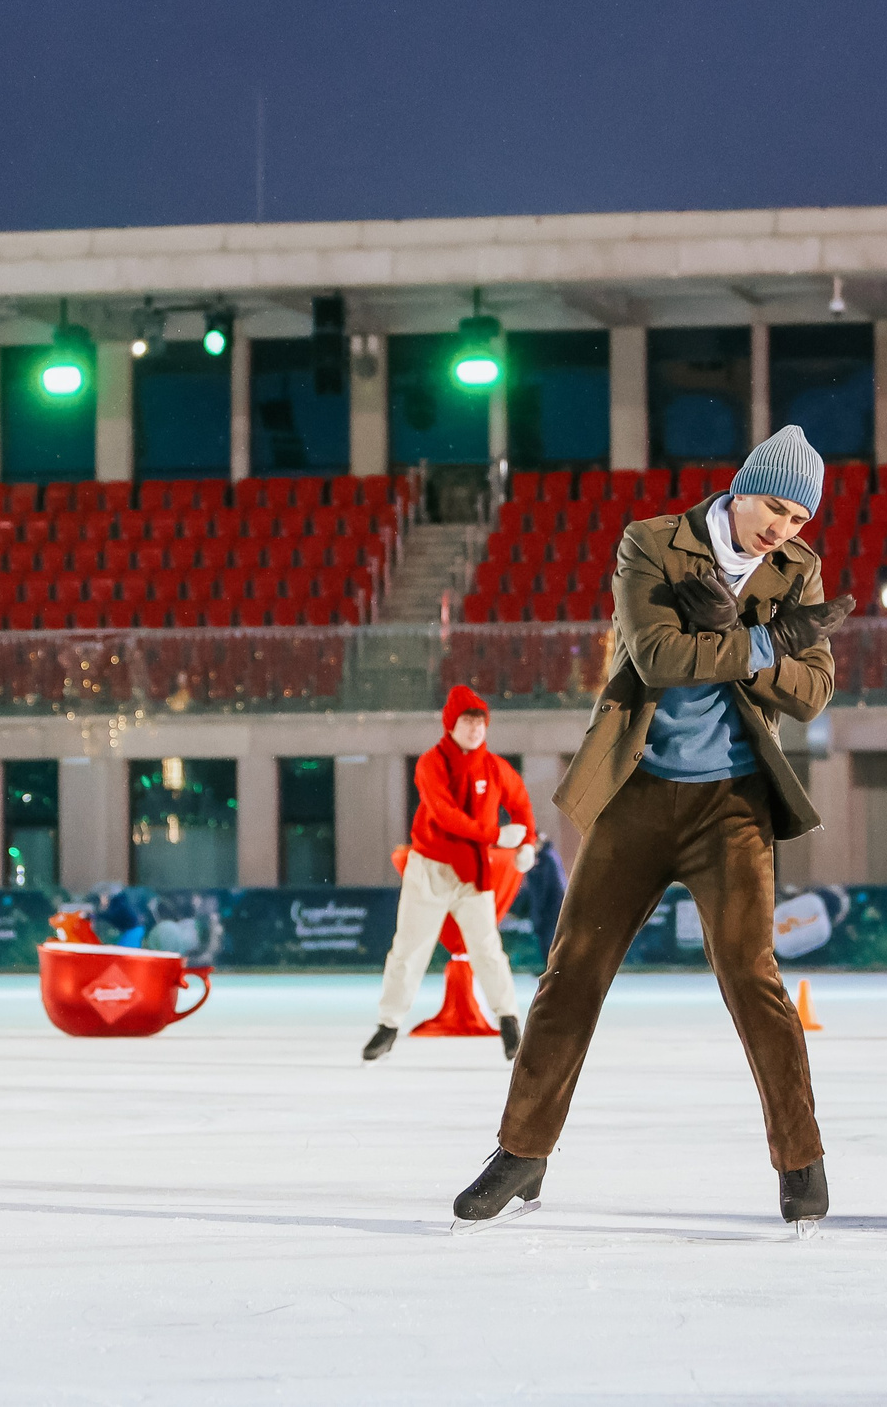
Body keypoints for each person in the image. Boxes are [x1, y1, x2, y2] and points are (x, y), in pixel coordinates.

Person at [455, 426, 855, 1233]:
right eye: (775, 508)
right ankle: (523, 1151)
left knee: (753, 977)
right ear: (743, 487)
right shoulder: (651, 542)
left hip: (734, 803)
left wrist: (756, 645)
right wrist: (763, 639)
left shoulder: (796, 571)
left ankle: (801, 1158)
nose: (782, 530)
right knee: (572, 973)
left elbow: (811, 692)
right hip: (636, 793)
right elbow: (658, 655)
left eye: (799, 522)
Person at [366, 685, 535, 1062]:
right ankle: (388, 1025)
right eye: (467, 721)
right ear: (451, 724)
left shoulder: (495, 767)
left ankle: (509, 1021)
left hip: (473, 875)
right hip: (429, 870)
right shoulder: (431, 762)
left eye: (480, 722)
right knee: (408, 950)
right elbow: (444, 815)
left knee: (488, 951)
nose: (476, 730)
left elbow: (520, 801)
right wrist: (495, 835)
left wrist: (528, 843)